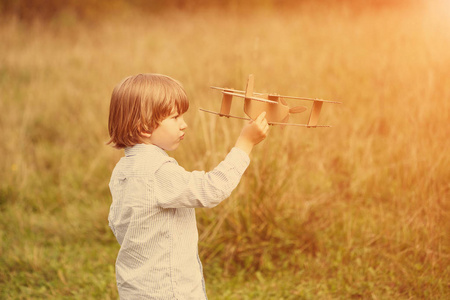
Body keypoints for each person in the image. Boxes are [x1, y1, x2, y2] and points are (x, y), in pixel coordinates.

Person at [107, 73, 269, 299]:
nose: (184, 124)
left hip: (135, 290)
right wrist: (245, 143)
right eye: (175, 117)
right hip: (170, 291)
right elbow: (212, 189)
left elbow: (116, 222)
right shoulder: (158, 170)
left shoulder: (122, 170)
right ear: (144, 126)